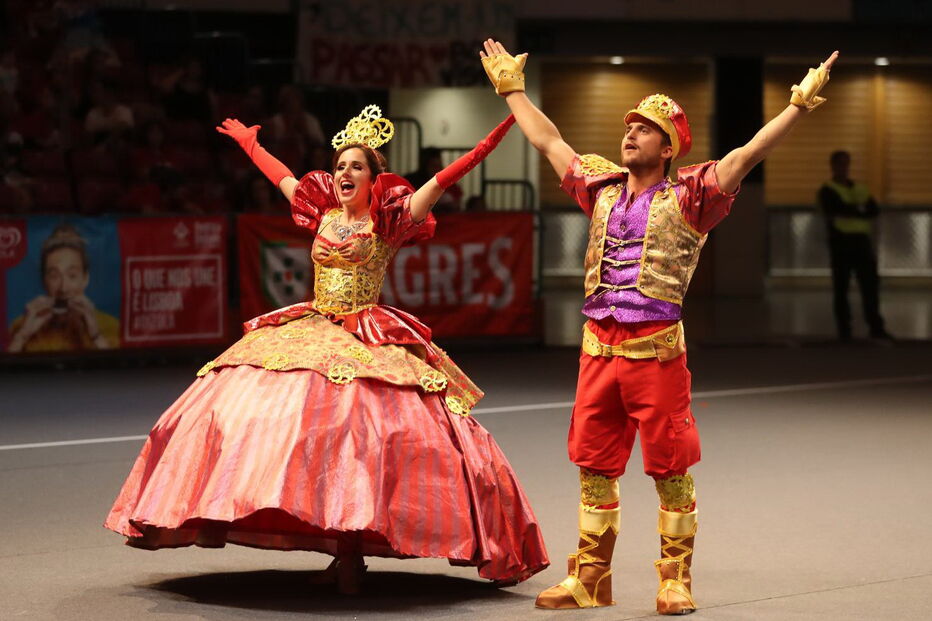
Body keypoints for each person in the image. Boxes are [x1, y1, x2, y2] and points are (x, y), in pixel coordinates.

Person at [104, 105, 548, 593]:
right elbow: (283, 179)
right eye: (339, 166)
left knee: (358, 439)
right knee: (275, 424)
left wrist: (489, 141)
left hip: (367, 334)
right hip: (312, 324)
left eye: (356, 166)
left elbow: (443, 179)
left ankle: (353, 553)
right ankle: (325, 542)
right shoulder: (321, 211)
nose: (344, 173)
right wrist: (252, 145)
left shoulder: (389, 219)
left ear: (375, 179)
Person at [480, 38, 839, 614]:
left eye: (645, 129)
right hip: (598, 350)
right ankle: (591, 578)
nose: (630, 134)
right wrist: (512, 90)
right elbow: (549, 140)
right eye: (629, 127)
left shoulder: (693, 195)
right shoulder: (598, 186)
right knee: (593, 466)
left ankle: (675, 579)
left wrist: (798, 103)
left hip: (657, 355)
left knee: (671, 468)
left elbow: (748, 154)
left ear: (668, 146)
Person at [8, 223, 118, 352]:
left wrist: (95, 335)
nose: (63, 288)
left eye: (72, 276)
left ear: (85, 278)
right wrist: (22, 335)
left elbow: (119, 370)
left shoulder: (110, 326)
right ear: (44, 280)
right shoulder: (20, 326)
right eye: (54, 276)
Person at [818, 150, 890, 340]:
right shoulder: (828, 190)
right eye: (840, 163)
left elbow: (873, 210)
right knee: (841, 287)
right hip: (841, 242)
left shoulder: (859, 188)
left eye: (846, 163)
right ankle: (844, 330)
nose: (844, 167)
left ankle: (876, 327)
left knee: (870, 286)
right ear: (833, 166)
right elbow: (836, 210)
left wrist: (852, 210)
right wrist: (858, 209)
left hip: (861, 242)